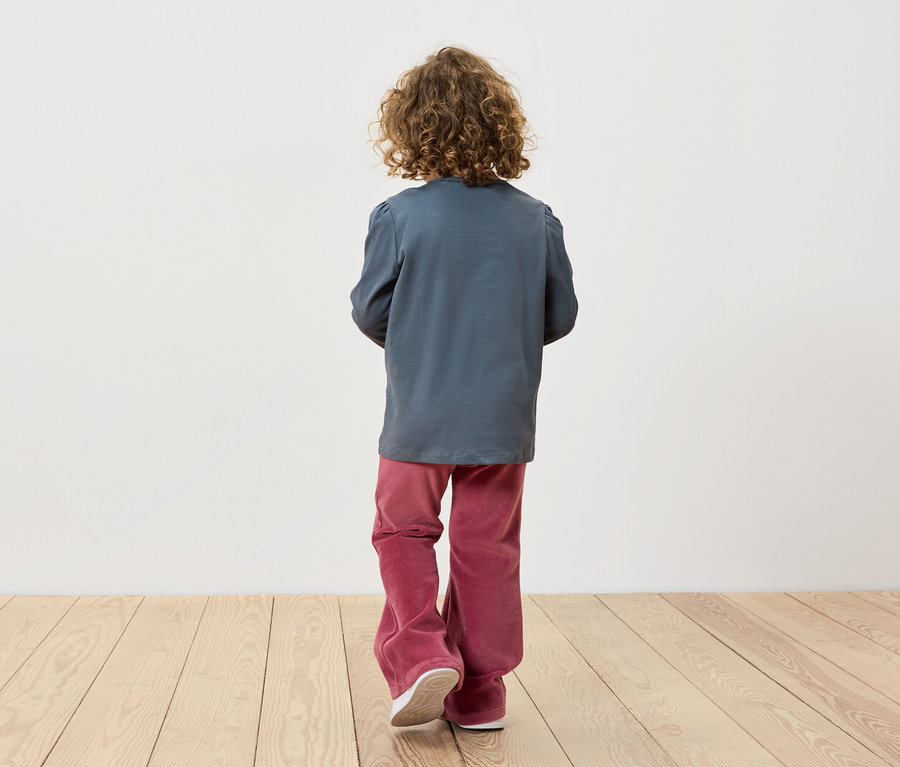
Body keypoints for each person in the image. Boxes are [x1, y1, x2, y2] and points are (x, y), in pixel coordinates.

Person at [350, 45, 578, 730]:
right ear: (500, 125)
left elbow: (369, 310)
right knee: (487, 547)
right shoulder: (535, 219)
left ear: (411, 128)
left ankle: (420, 654)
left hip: (420, 412)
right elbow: (559, 315)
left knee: (403, 528)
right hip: (503, 419)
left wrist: (425, 333)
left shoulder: (400, 215)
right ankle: (482, 691)